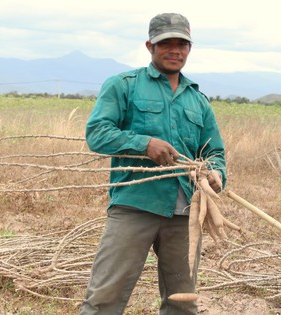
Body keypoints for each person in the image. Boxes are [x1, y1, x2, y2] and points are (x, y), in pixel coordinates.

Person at [80, 13, 226, 314]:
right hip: (134, 206)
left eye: (182, 43)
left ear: (189, 47)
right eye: (166, 43)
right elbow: (97, 134)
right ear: (150, 46)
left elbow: (215, 152)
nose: (176, 50)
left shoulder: (198, 101)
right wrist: (143, 144)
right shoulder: (124, 85)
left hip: (185, 213)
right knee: (105, 297)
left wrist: (216, 174)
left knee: (182, 301)